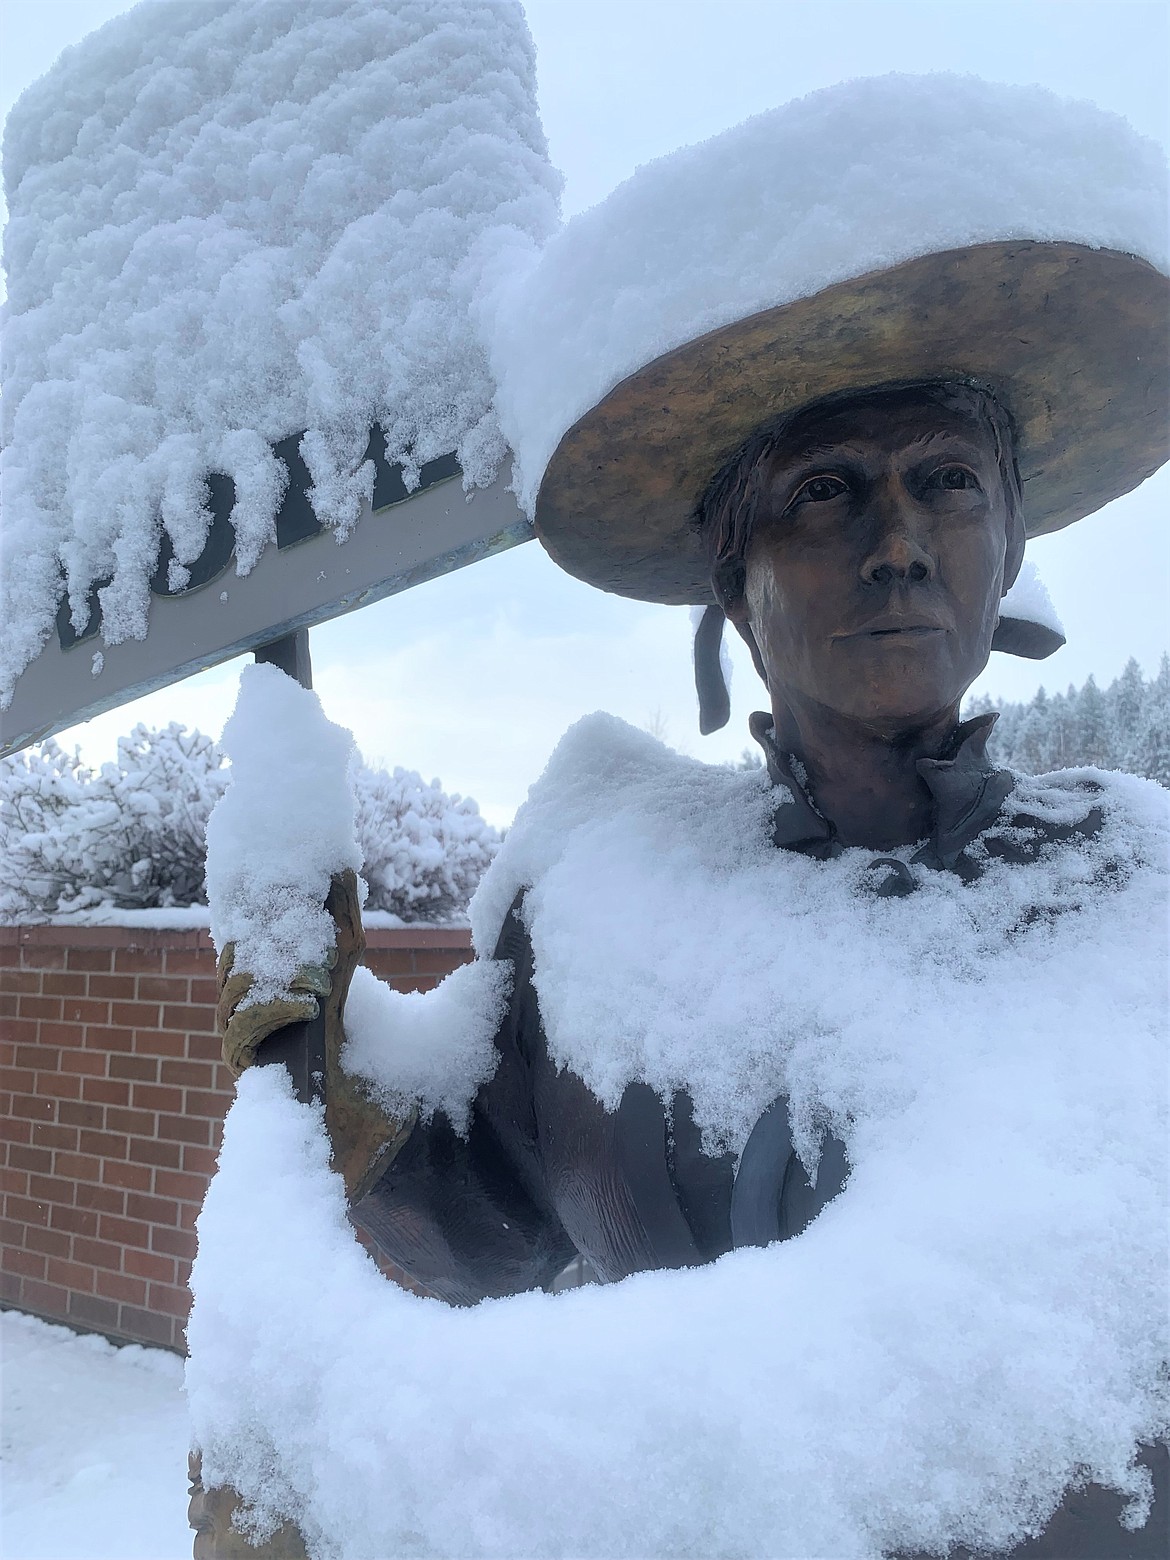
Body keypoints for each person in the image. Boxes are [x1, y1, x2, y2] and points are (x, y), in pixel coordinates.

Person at [195, 240, 1168, 1560]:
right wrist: (313, 1043)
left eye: (945, 484)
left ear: (1003, 552)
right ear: (733, 587)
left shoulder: (1133, 878)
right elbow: (477, 1227)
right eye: (824, 494)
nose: (896, 545)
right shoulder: (603, 890)